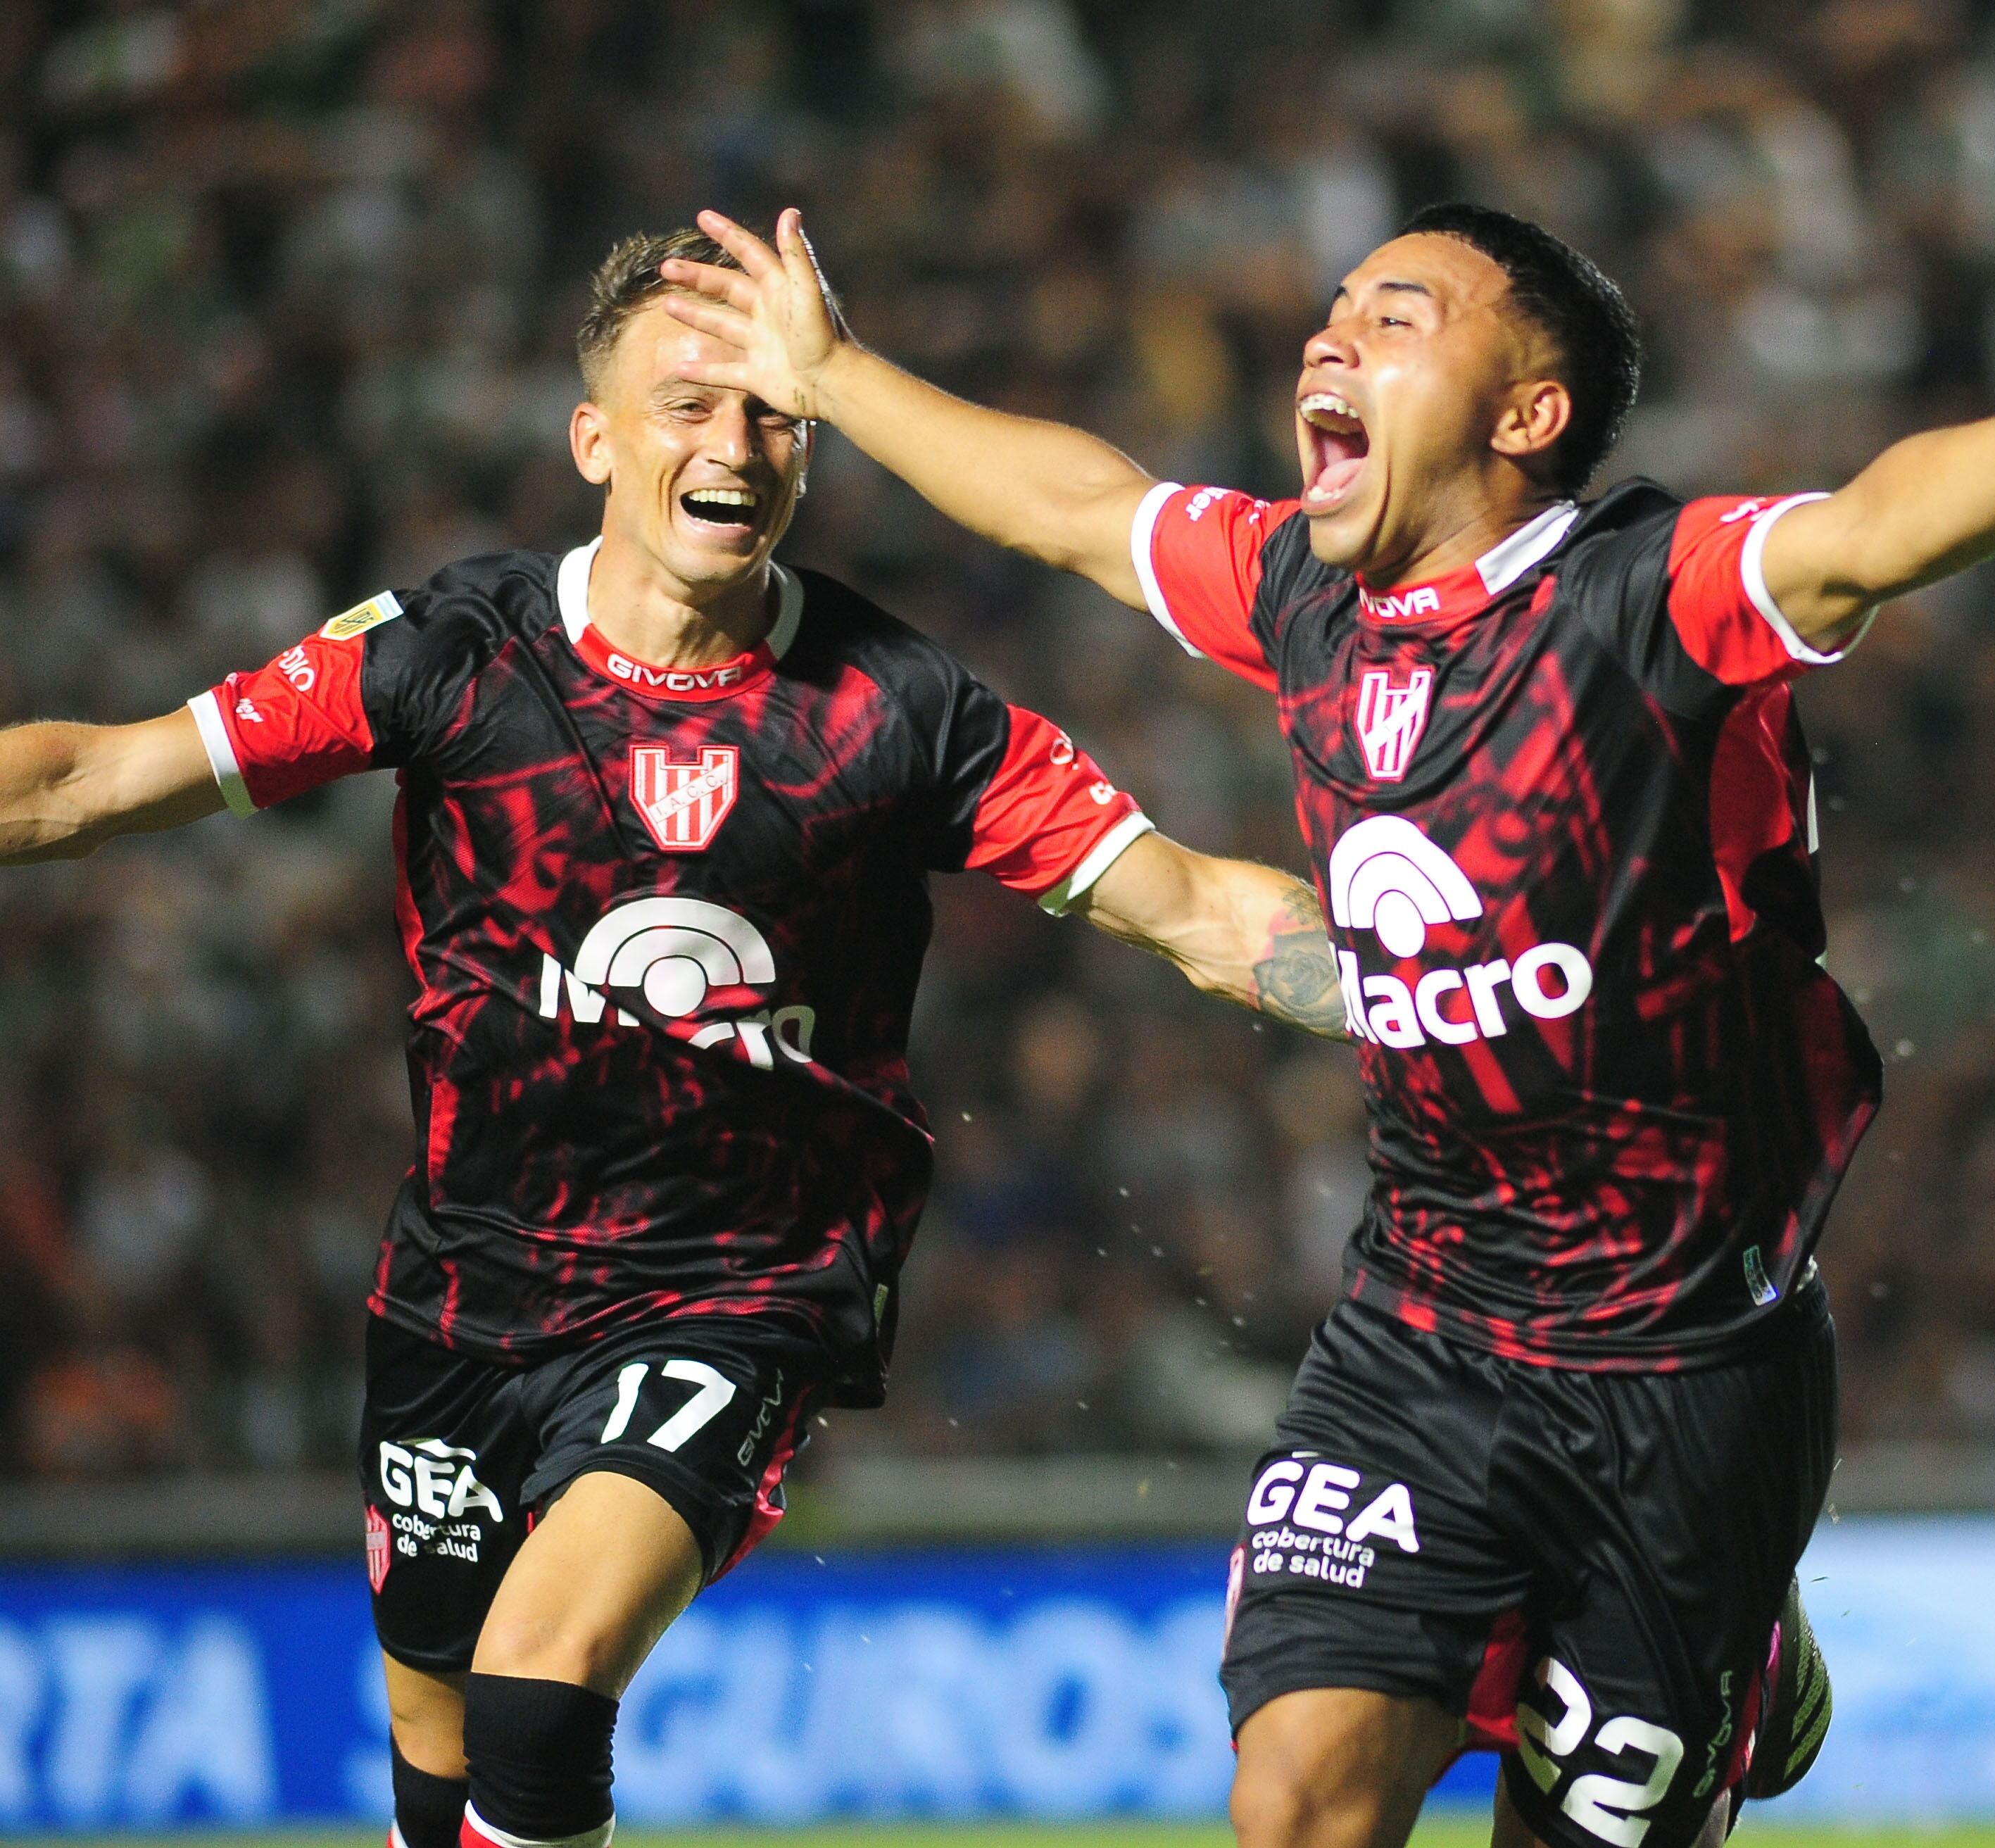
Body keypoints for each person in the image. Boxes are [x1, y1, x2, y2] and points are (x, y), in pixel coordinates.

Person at [662, 194, 1995, 1848]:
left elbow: (1866, 533)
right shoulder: (1302, 591)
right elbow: (1084, 507)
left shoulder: (1648, 596)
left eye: (1400, 314)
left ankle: (1749, 1637)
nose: (1332, 334)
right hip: (1419, 1331)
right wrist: (836, 372)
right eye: (1338, 303)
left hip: (1687, 1375)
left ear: (1527, 415)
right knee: (1294, 1802)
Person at [0, 227, 1344, 1848]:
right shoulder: (450, 652)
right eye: (688, 404)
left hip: (736, 1290)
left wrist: (1473, 965)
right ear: (596, 439)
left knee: (539, 1678)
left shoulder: (899, 710)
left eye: (774, 412)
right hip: (462, 1289)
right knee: (439, 1760)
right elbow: (89, 779)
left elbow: (1196, 908)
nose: (734, 446)